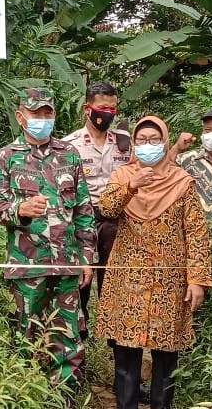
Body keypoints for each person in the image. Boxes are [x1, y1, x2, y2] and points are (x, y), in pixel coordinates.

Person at [0, 88, 96, 404]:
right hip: (27, 264)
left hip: (67, 263)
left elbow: (84, 210)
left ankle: (65, 396)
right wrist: (18, 210)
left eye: (48, 113)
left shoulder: (69, 155)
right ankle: (25, 395)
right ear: (21, 117)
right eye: (36, 114)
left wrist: (87, 257)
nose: (42, 119)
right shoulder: (5, 158)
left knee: (68, 336)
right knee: (25, 333)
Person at [97, 116, 212, 409]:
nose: (148, 145)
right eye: (142, 140)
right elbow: (107, 210)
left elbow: (197, 233)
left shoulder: (182, 181)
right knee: (126, 354)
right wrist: (132, 186)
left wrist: (197, 279)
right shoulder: (122, 175)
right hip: (128, 279)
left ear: (165, 142)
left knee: (166, 355)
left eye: (155, 140)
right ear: (134, 144)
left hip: (169, 280)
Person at [62, 81, 130, 338]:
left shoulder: (124, 143)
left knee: (114, 285)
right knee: (80, 284)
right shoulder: (70, 145)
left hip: (116, 222)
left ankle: (117, 345)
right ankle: (77, 341)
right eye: (102, 108)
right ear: (87, 109)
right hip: (82, 220)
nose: (108, 114)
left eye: (113, 109)